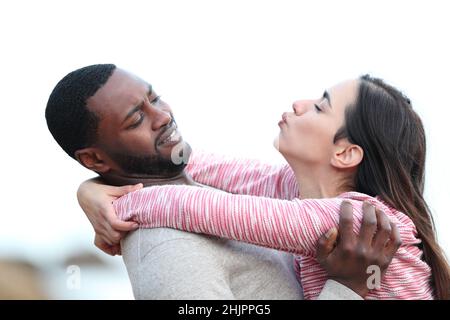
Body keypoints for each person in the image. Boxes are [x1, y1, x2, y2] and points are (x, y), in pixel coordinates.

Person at [47, 64, 399, 299]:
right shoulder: (164, 246)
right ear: (94, 159)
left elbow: (207, 168)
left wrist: (91, 188)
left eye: (153, 98)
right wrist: (347, 288)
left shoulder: (224, 197)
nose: (163, 115)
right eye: (137, 118)